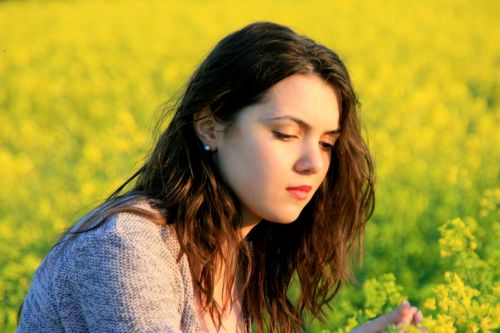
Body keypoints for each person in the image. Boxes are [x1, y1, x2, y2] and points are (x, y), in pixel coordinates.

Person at [17, 22, 424, 332]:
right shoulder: (127, 248)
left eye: (326, 144)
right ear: (210, 127)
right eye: (285, 134)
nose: (313, 164)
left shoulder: (238, 255)